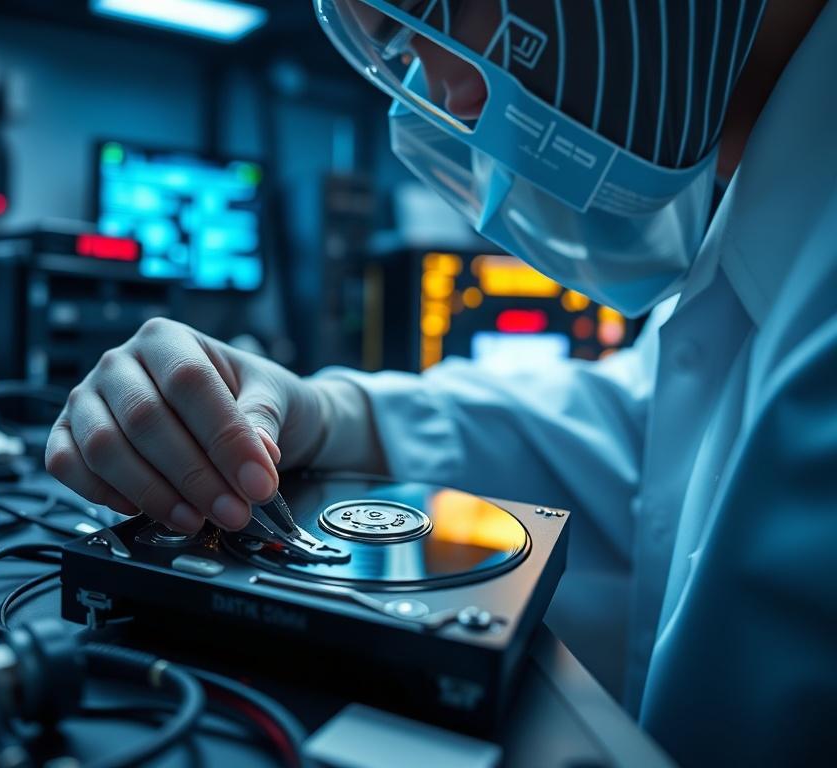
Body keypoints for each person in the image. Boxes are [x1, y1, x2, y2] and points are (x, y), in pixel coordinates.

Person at [45, 1, 836, 764]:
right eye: (406, 45)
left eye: (447, 10)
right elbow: (641, 430)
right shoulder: (773, 207)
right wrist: (325, 410)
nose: (456, 95)